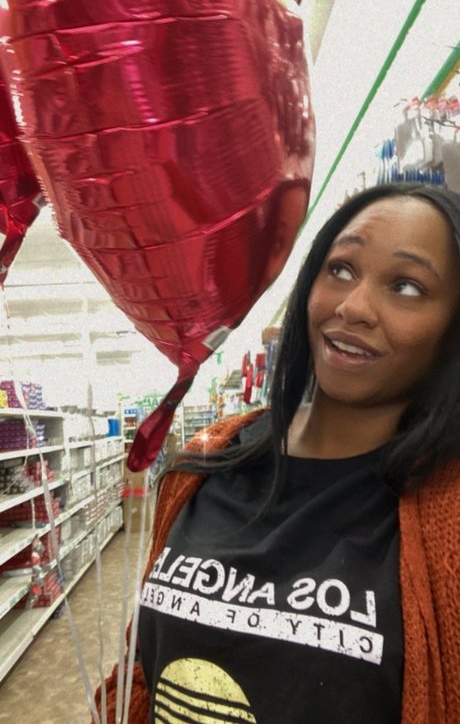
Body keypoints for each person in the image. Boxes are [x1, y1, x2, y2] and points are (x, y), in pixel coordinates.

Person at [97, 182, 460, 723]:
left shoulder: (446, 512)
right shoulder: (206, 461)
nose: (353, 307)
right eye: (341, 269)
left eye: (406, 286)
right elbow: (141, 669)